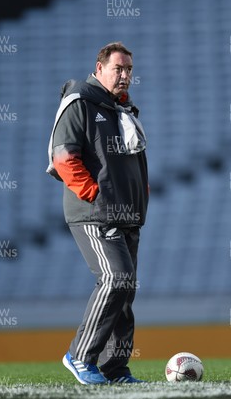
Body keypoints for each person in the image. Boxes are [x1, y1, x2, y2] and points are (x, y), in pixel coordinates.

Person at [46, 42, 149, 384]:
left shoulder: (123, 110)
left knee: (125, 291)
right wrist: (94, 194)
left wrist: (138, 198)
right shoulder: (81, 104)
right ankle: (79, 356)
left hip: (127, 215)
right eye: (118, 68)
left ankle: (115, 369)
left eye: (129, 69)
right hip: (95, 212)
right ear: (100, 68)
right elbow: (63, 158)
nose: (125, 75)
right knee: (115, 279)